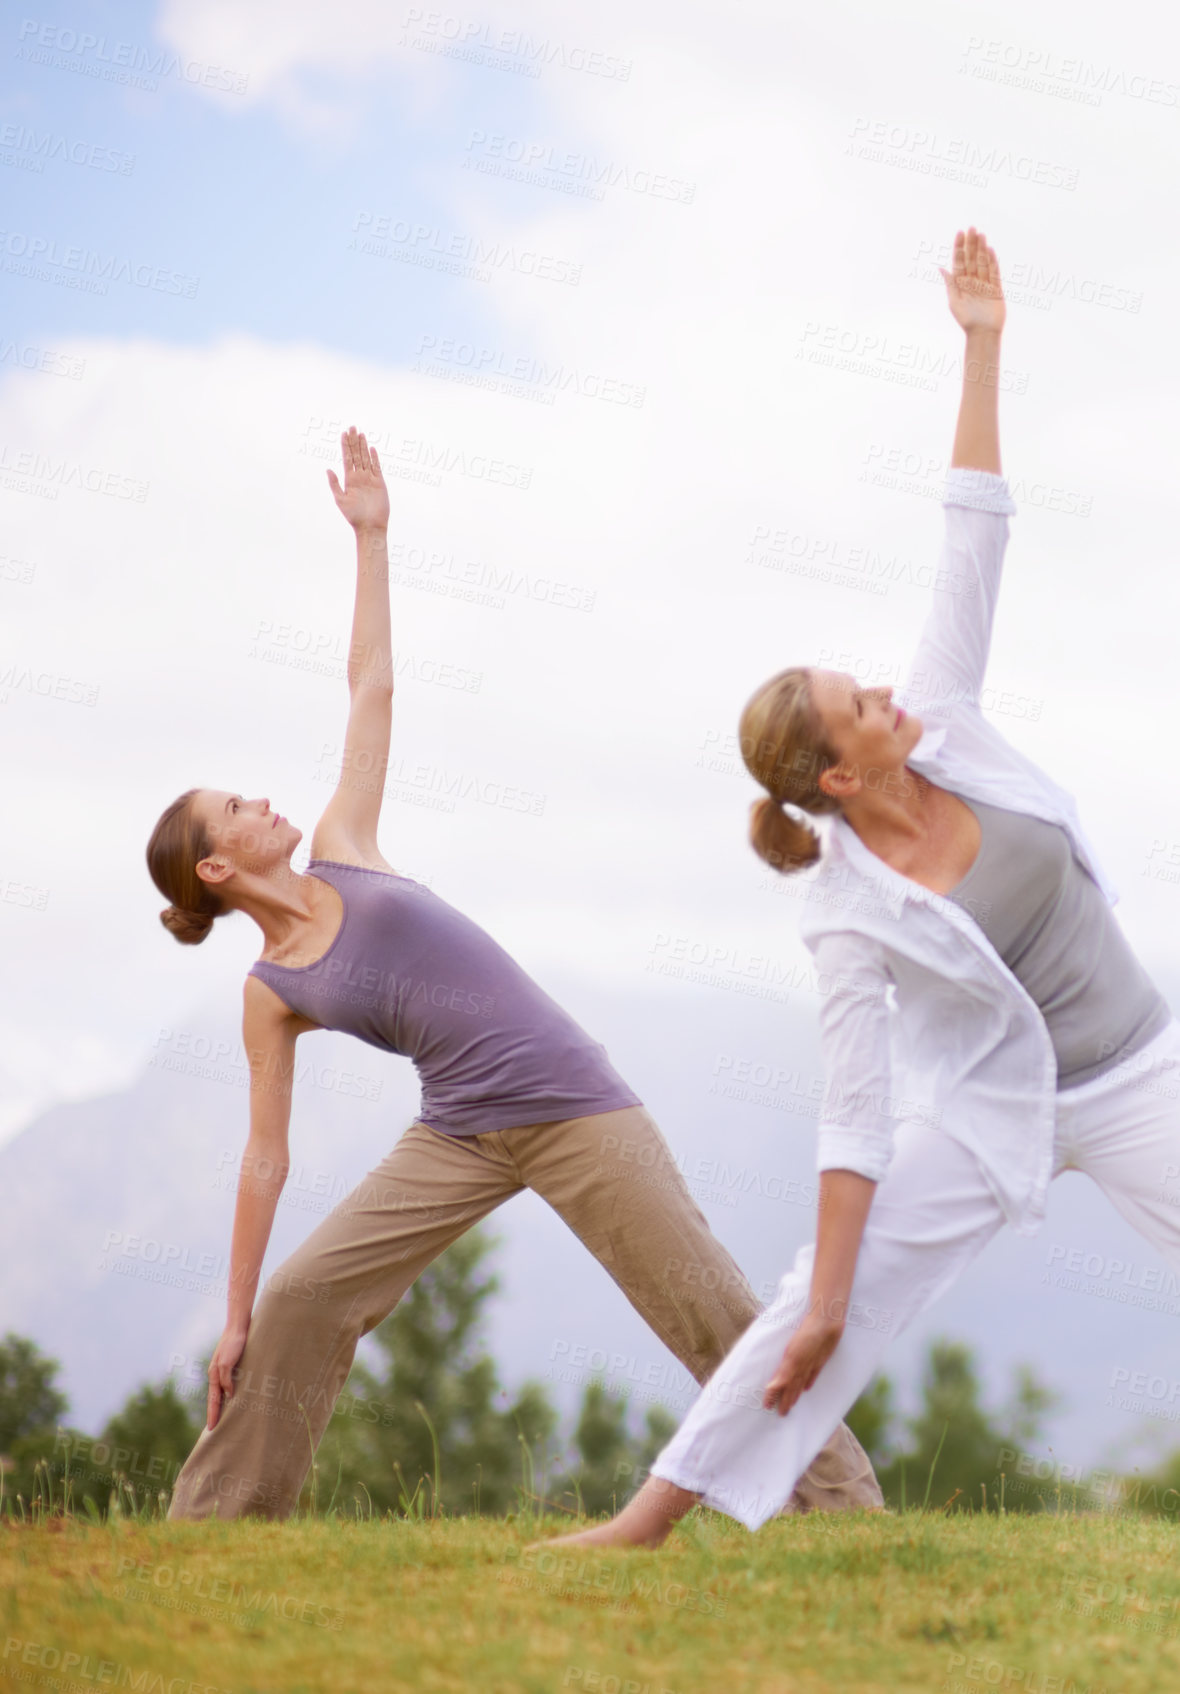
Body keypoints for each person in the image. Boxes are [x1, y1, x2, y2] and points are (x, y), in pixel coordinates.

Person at [540, 224, 1180, 1551]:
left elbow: (973, 538)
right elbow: (855, 1116)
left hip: (1142, 1073)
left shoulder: (945, 718)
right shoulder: (842, 912)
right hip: (997, 1112)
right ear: (838, 774)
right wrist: (833, 1294)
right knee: (812, 1305)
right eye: (859, 701)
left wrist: (983, 343)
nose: (888, 690)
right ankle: (648, 1519)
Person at [148, 425, 880, 1520]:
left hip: (576, 1105)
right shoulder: (270, 992)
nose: (261, 800)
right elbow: (264, 1157)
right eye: (235, 809)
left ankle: (845, 1513)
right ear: (217, 865)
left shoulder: (347, 838)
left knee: (709, 1309)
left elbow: (371, 687)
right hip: (458, 1129)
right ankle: (215, 1526)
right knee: (305, 1299)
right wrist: (238, 1308)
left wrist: (373, 538)